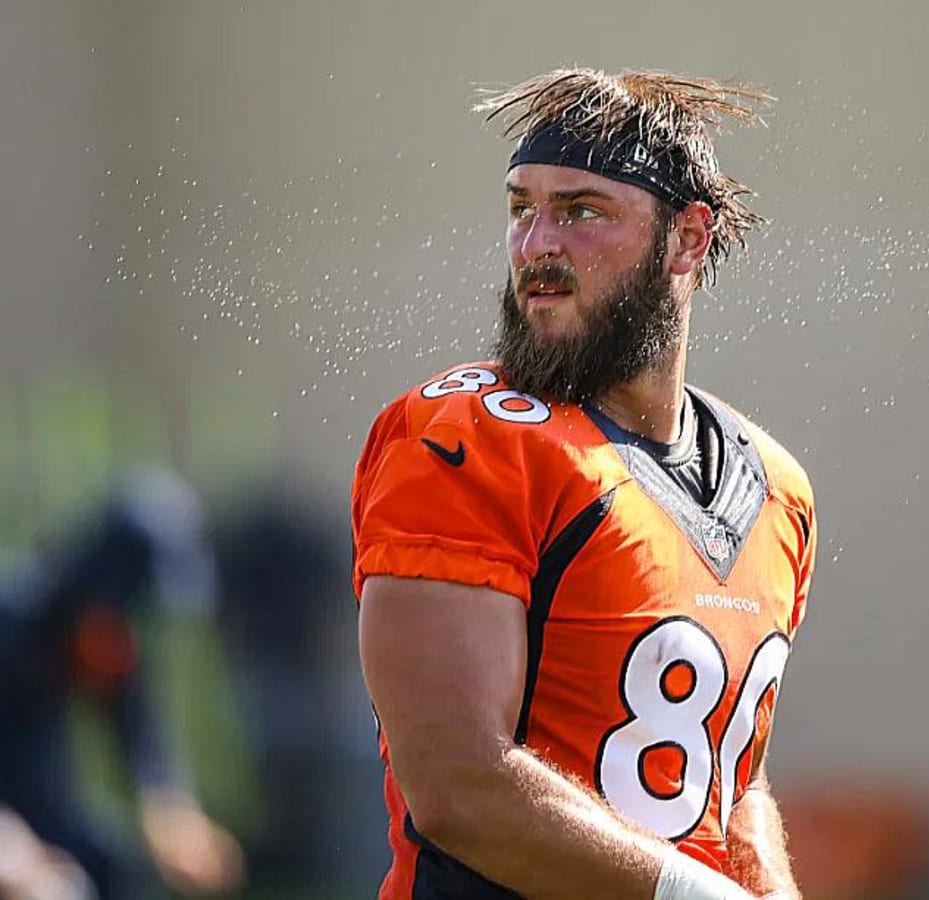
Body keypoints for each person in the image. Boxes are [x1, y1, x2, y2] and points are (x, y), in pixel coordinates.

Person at [353, 68, 817, 900]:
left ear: (687, 239)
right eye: (521, 209)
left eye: (582, 211)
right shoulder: (467, 437)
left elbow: (726, 782)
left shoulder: (770, 484)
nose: (537, 246)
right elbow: (460, 788)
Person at [0, 469, 244, 900]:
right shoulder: (13, 629)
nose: (130, 645)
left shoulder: (107, 642)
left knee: (108, 866)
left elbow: (138, 735)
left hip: (33, 805)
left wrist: (171, 813)